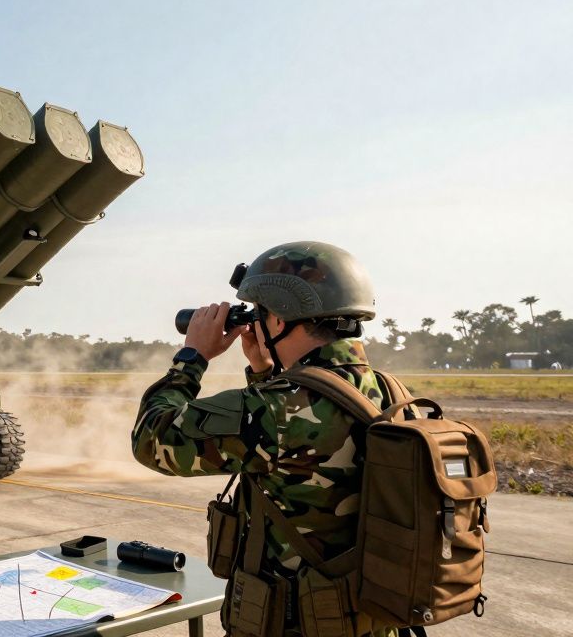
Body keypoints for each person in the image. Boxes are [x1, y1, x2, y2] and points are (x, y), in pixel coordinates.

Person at [132, 241, 395, 637]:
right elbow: (292, 448)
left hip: (298, 625)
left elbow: (153, 440)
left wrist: (192, 358)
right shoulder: (389, 392)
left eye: (260, 312)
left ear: (279, 317)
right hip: (371, 620)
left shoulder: (275, 410)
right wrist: (266, 374)